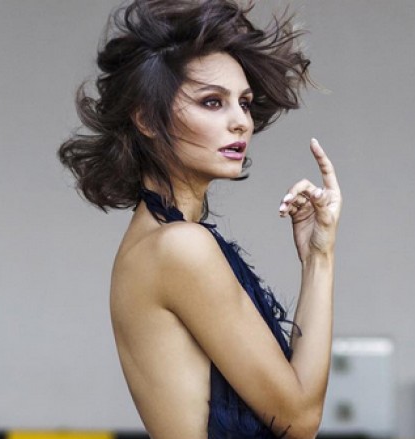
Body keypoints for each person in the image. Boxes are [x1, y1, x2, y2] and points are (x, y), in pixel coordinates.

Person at [58, 1, 341, 437]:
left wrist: (317, 253)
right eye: (212, 102)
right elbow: (299, 420)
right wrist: (320, 262)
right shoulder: (180, 247)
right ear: (146, 118)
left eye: (244, 104)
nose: (240, 122)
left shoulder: (154, 239)